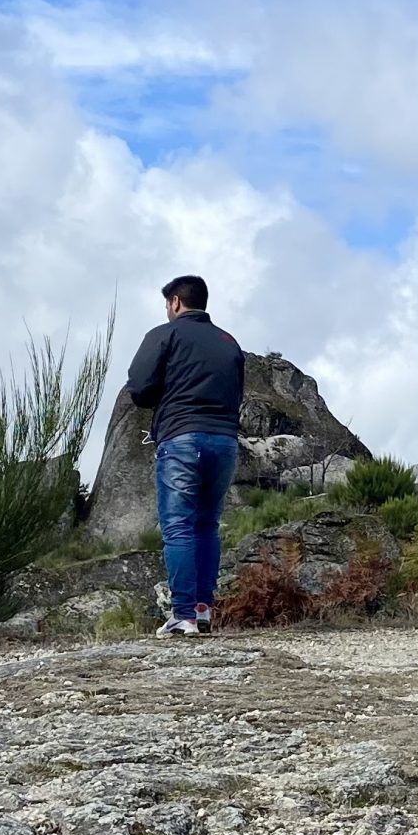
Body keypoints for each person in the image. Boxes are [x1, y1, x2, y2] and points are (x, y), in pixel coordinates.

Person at [125, 273, 245, 638]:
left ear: (175, 302)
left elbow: (140, 388)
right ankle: (203, 611)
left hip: (181, 438)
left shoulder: (165, 334)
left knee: (178, 526)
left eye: (167, 304)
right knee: (207, 525)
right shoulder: (229, 342)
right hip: (224, 440)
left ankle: (183, 615)